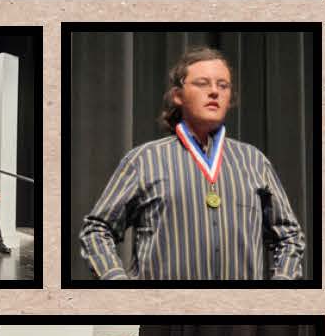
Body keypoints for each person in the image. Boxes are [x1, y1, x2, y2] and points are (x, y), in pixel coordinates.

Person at [78, 45, 306, 282]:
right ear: (178, 95)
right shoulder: (144, 160)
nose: (214, 91)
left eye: (223, 85)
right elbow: (97, 230)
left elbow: (289, 236)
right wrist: (116, 282)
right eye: (202, 83)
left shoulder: (254, 161)